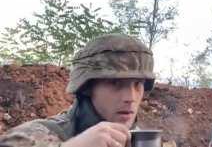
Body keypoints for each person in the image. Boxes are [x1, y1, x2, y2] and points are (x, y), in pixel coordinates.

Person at [0, 33, 173, 147]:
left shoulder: (143, 140)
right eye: (116, 84)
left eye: (137, 84)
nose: (130, 97)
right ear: (88, 87)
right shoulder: (40, 134)